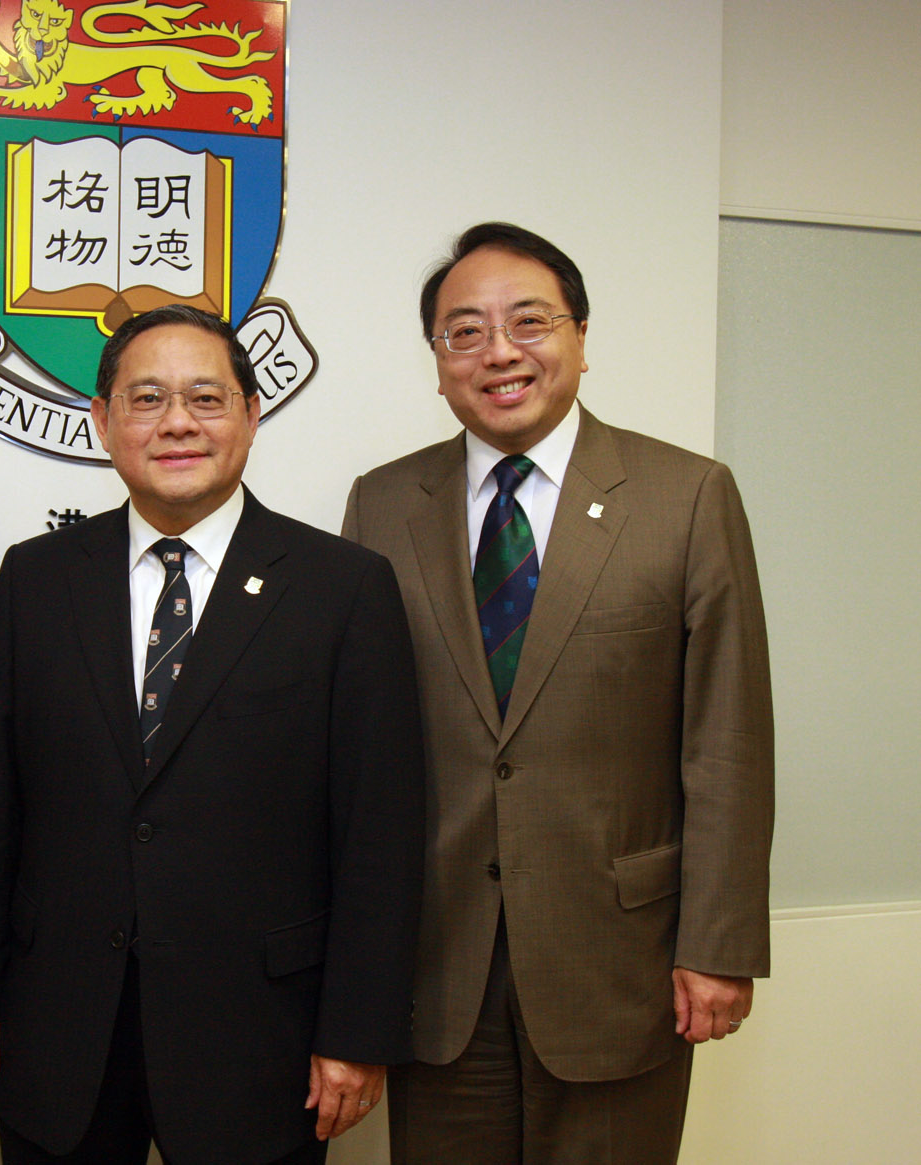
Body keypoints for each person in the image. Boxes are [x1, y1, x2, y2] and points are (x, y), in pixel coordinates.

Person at [0, 304, 425, 1164]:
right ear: (102, 419)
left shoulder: (342, 587)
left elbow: (378, 830)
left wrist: (359, 1028)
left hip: (264, 1033)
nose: (177, 423)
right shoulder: (36, 578)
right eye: (147, 398)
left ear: (251, 414)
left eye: (205, 397)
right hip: (60, 1024)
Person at [343, 223, 775, 1163]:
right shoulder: (382, 504)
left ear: (581, 336)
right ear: (438, 361)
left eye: (529, 322)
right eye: (465, 331)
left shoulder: (686, 495)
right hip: (437, 963)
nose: (499, 351)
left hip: (621, 960)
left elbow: (728, 740)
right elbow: (358, 748)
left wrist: (719, 943)